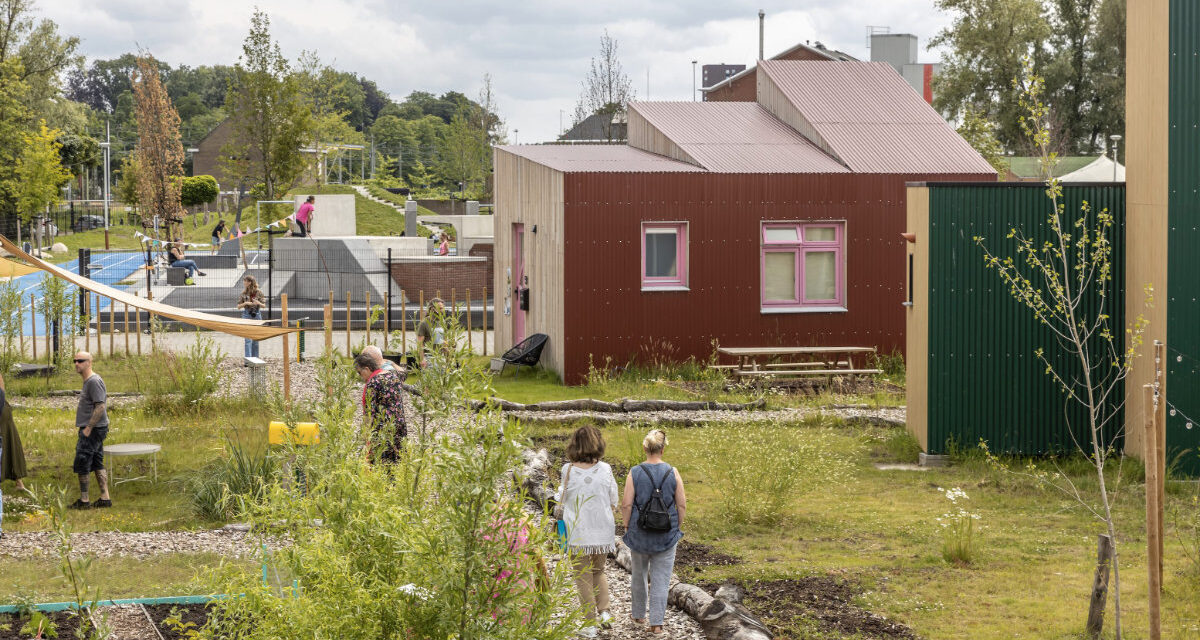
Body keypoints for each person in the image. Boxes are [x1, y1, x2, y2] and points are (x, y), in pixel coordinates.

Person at [555, 425, 618, 636]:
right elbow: (614, 499)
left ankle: (590, 624)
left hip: (578, 531)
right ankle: (605, 612)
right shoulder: (606, 469)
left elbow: (561, 499)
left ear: (575, 444)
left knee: (582, 577)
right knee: (599, 571)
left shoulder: (568, 470)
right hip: (602, 530)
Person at [620, 429, 685, 634]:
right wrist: (678, 525)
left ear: (644, 448)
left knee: (638, 575)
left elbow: (626, 504)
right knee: (661, 578)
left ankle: (638, 614)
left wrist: (627, 525)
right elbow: (681, 505)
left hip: (640, 533)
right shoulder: (673, 472)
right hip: (666, 534)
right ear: (663, 449)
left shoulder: (635, 472)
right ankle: (656, 624)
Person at [70, 352, 110, 510]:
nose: (76, 364)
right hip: (96, 429)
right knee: (97, 461)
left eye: (80, 361)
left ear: (89, 362)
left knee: (83, 461)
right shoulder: (88, 381)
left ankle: (84, 500)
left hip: (93, 429)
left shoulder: (93, 381)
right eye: (75, 361)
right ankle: (105, 498)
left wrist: (88, 428)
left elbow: (100, 406)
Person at [354, 352, 407, 463]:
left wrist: (365, 436)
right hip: (399, 426)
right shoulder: (393, 376)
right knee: (397, 462)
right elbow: (403, 372)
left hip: (382, 431)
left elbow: (369, 413)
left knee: (381, 465)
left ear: (367, 369)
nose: (361, 377)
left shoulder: (373, 383)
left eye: (360, 373)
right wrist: (391, 362)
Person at [0, 373, 27, 494]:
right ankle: (19, 481)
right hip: (3, 408)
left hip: (2, 411)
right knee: (9, 442)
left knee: (7, 442)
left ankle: (19, 481)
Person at [237, 276, 266, 359]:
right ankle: (248, 360)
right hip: (246, 315)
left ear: (249, 282)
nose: (244, 283)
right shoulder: (243, 293)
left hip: (257, 315)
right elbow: (238, 306)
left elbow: (264, 305)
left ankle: (255, 359)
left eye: (245, 281)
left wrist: (258, 303)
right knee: (248, 340)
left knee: (255, 339)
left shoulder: (259, 292)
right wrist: (246, 303)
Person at [415, 298, 446, 367]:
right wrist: (422, 359)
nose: (442, 310)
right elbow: (420, 344)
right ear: (432, 309)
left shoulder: (442, 322)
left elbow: (444, 340)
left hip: (440, 356)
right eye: (440, 308)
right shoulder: (424, 323)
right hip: (429, 357)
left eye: (442, 308)